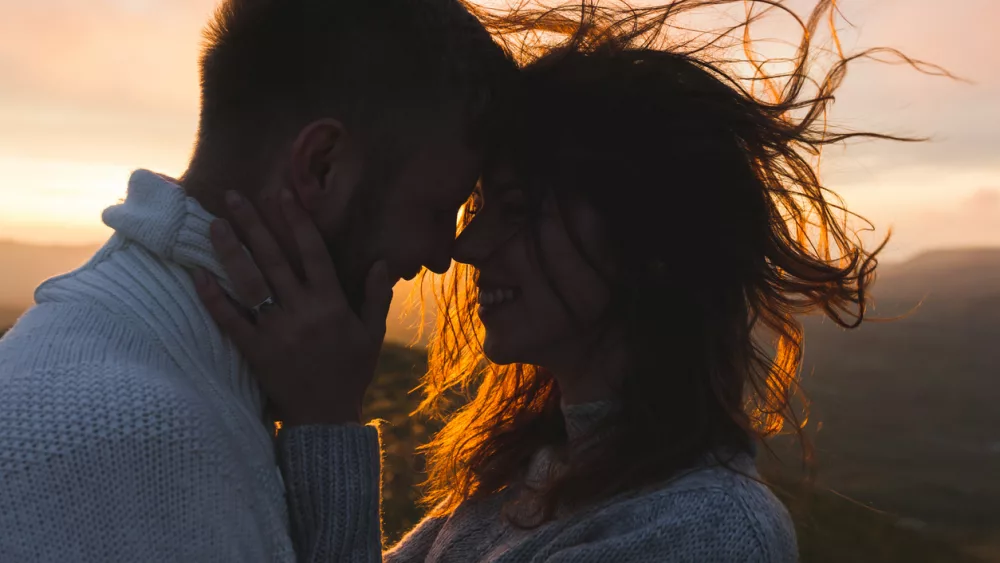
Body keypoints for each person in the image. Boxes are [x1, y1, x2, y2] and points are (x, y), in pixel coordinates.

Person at [195, 1, 945, 561]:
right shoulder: (526, 484)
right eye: (482, 204)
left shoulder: (702, 531)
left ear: (645, 240)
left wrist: (327, 419)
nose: (468, 245)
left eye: (517, 210)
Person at [0, 1, 513, 561]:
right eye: (437, 210)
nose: (443, 256)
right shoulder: (133, 440)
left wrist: (323, 419)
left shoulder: (164, 362)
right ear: (321, 166)